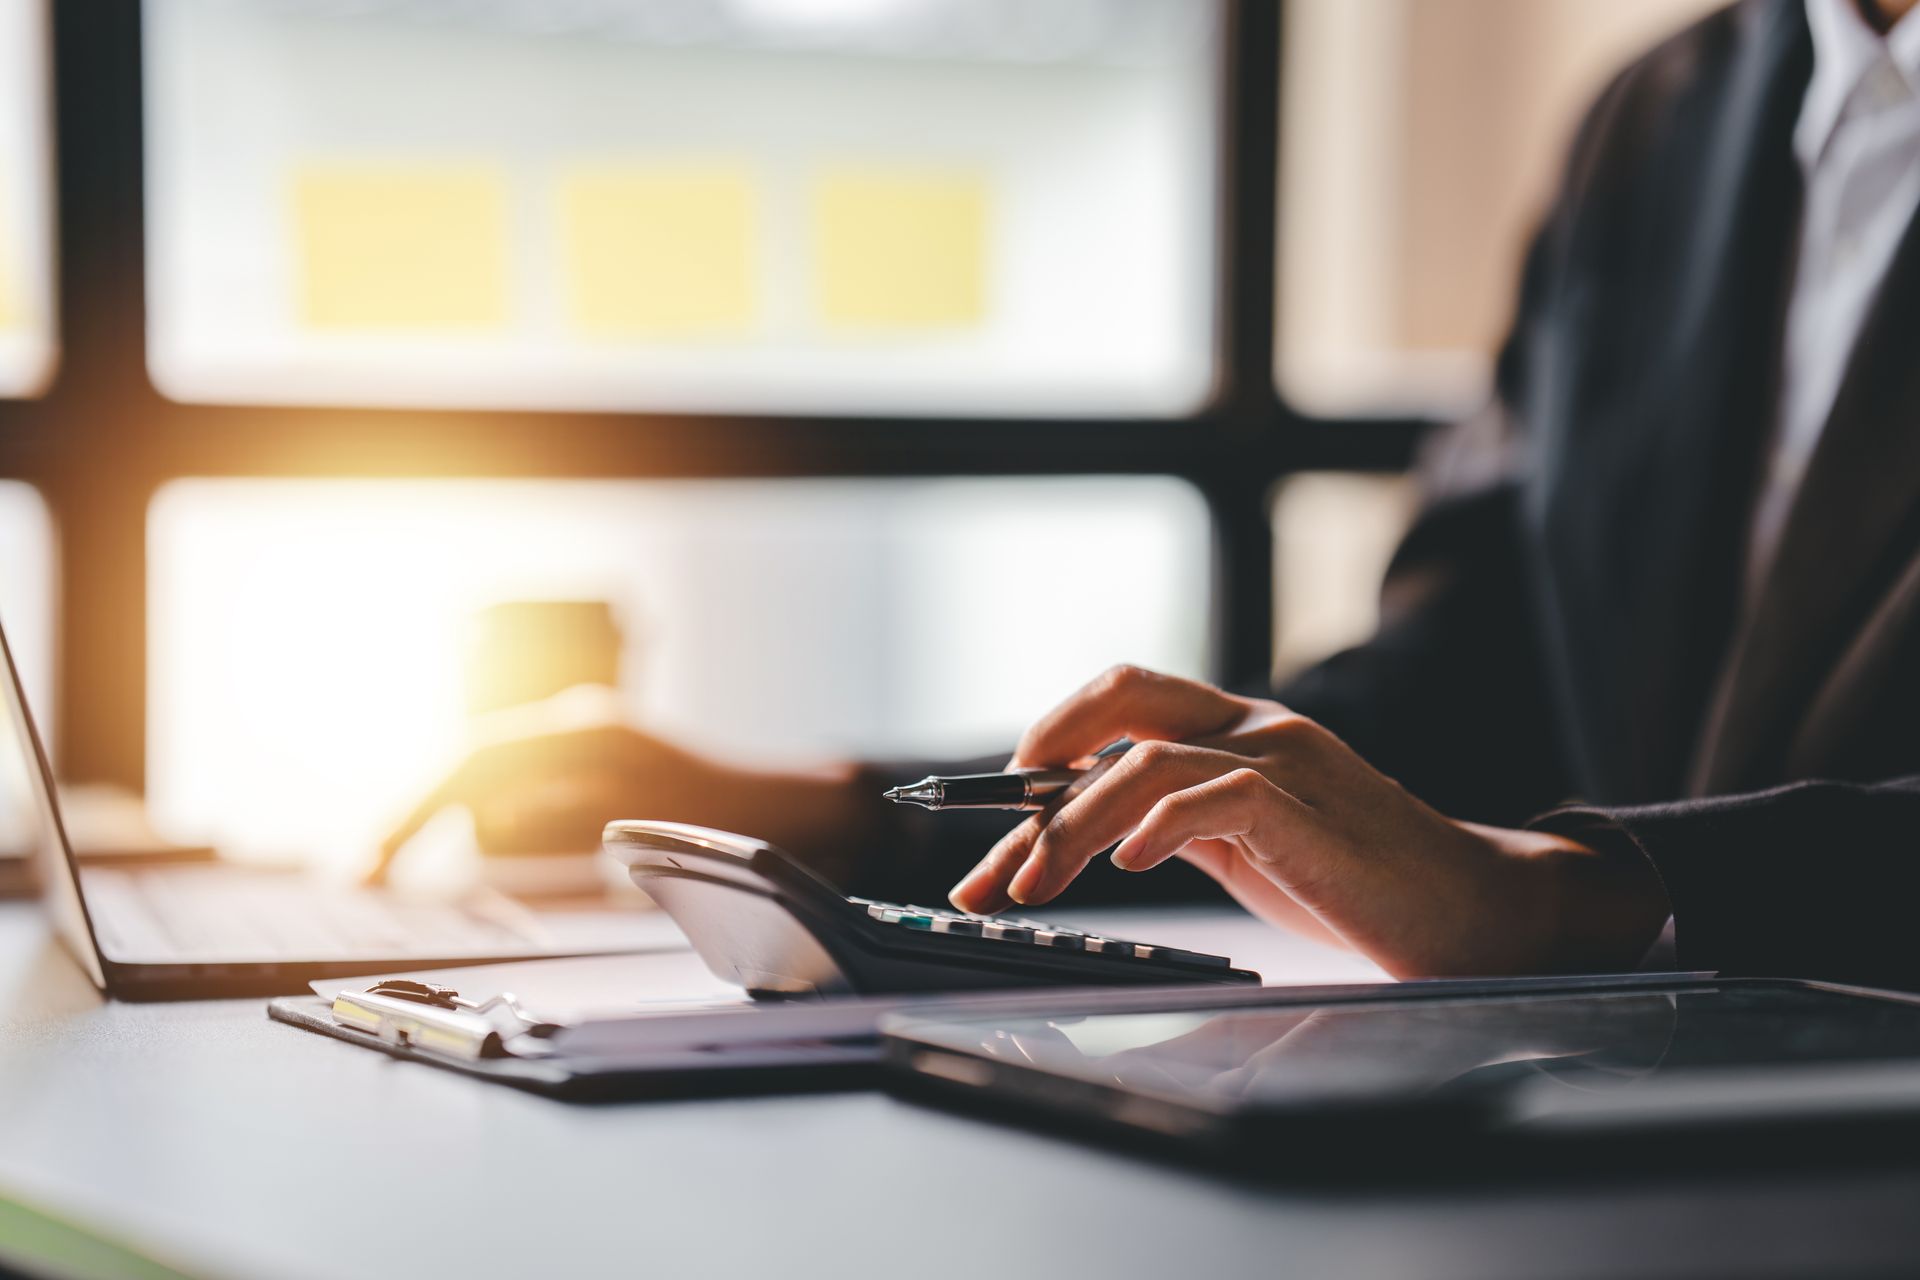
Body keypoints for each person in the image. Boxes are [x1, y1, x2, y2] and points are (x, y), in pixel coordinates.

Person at [378, 0, 1920, 989]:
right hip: (1636, 1148)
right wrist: (847, 812)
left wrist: (1569, 898)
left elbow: (1517, 866)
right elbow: (1457, 685)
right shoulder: (1665, 118)